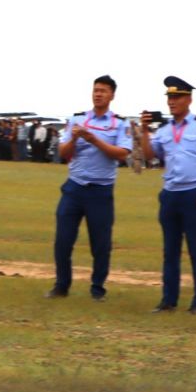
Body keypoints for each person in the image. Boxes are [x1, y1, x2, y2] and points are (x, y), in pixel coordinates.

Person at [132, 76, 196, 314]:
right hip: (170, 194)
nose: (172, 101)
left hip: (193, 193)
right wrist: (144, 131)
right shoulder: (164, 129)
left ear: (189, 99)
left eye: (177, 97)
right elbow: (150, 156)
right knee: (170, 251)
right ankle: (168, 300)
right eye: (170, 97)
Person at [48, 75, 132, 301]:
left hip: (100, 191)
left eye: (103, 91)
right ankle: (61, 285)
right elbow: (63, 153)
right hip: (74, 188)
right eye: (95, 90)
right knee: (63, 240)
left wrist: (94, 140)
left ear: (112, 95)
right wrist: (75, 139)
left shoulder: (120, 123)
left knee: (101, 244)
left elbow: (122, 154)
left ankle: (97, 289)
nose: (98, 94)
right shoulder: (77, 119)